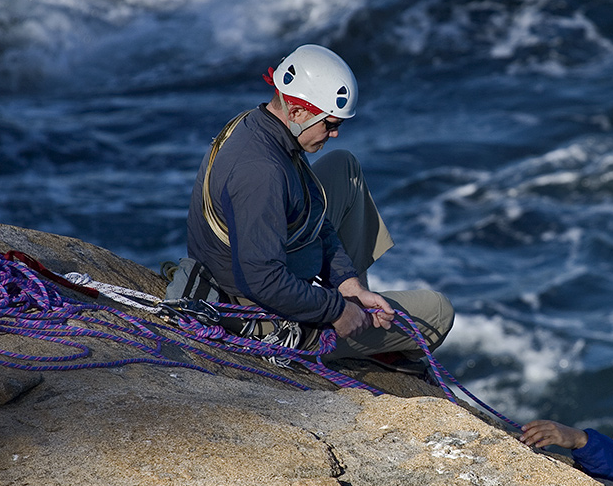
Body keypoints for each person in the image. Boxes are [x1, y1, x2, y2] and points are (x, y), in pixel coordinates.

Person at [184, 43, 454, 369]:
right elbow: (262, 280)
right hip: (255, 311)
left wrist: (347, 285)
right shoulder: (263, 172)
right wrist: (335, 310)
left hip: (236, 269)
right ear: (297, 112)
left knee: (343, 166)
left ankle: (360, 306)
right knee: (438, 311)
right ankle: (356, 339)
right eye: (329, 123)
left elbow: (314, 213)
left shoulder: (258, 128)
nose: (336, 132)